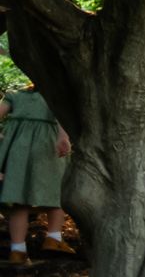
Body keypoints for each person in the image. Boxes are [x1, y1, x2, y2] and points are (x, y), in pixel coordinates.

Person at [0, 86, 71, 262]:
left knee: (19, 198)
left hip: (18, 147)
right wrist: (64, 137)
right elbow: (63, 117)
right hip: (48, 144)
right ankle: (53, 238)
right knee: (57, 192)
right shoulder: (58, 93)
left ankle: (17, 250)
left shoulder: (16, 96)